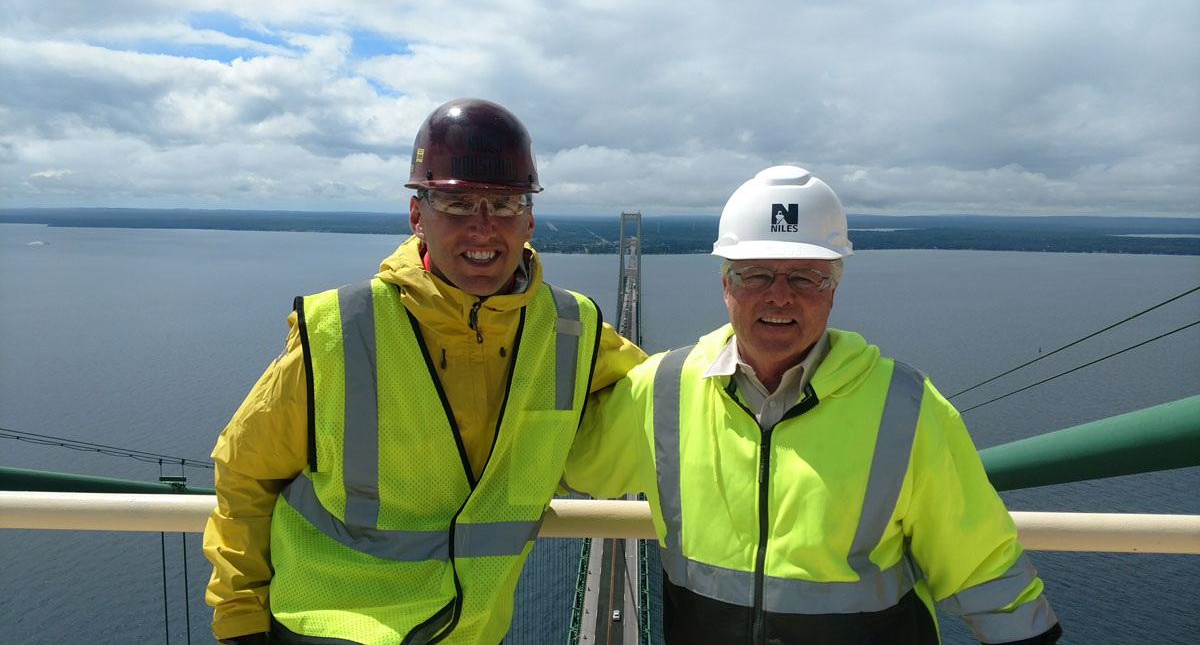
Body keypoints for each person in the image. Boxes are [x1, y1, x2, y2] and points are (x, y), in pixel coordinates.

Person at [202, 98, 645, 644]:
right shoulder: (340, 332)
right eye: (457, 203)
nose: (483, 228)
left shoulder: (571, 331)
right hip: (328, 631)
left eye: (503, 204)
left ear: (529, 219)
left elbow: (676, 405)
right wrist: (240, 620)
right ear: (418, 215)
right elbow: (245, 474)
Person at [564, 165, 1062, 644]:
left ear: (833, 290)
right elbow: (570, 458)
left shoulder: (904, 406)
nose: (779, 297)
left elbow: (976, 556)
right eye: (756, 275)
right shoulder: (664, 390)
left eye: (805, 277)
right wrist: (568, 342)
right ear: (725, 286)